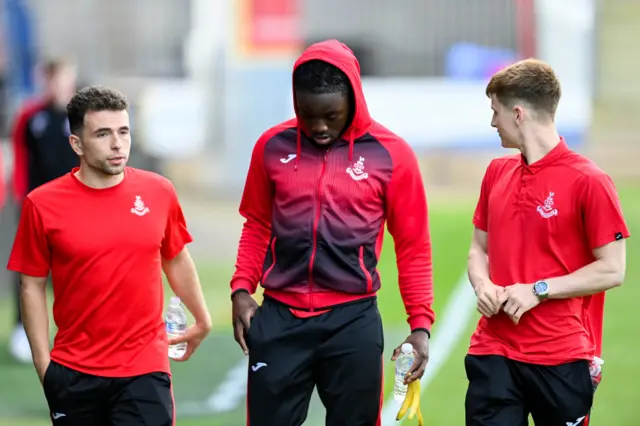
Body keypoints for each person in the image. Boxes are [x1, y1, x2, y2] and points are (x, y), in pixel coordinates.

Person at [229, 39, 435, 426]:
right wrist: (241, 288)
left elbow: (413, 246)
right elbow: (257, 223)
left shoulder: (391, 154)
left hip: (352, 323)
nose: (318, 126)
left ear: (353, 101)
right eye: (306, 114)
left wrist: (419, 325)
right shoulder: (271, 147)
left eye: (331, 115)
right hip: (279, 320)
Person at [7, 85, 212, 425]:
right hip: (74, 372)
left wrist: (202, 319)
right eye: (103, 134)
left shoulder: (158, 191)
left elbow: (175, 257)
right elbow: (31, 285)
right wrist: (44, 366)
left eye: (123, 131)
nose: (117, 144)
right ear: (77, 144)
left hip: (145, 368)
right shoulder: (41, 204)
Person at [465, 58, 629, 426]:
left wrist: (538, 289)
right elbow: (479, 249)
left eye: (496, 112)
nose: (493, 122)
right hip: (493, 350)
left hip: (561, 357)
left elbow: (613, 269)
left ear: (518, 114)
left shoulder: (590, 181)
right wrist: (483, 284)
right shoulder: (496, 173)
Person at [8, 57, 79, 364]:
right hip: (37, 205)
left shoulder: (81, 115)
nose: (57, 85)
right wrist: (21, 198)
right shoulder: (31, 116)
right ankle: (23, 330)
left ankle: (76, 331)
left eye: (61, 78)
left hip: (74, 205)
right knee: (30, 269)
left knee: (75, 268)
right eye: (51, 79)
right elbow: (21, 157)